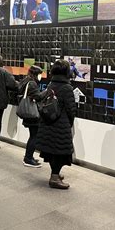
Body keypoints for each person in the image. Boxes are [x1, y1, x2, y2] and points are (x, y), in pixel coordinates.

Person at [35, 60, 76, 189]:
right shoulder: (67, 87)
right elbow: (71, 109)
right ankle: (54, 178)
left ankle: (55, 174)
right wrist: (69, 122)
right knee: (60, 152)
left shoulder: (51, 84)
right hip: (60, 126)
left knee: (53, 151)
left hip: (48, 123)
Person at [17, 65, 49, 167]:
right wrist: (47, 91)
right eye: (40, 74)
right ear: (36, 74)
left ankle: (29, 156)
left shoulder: (25, 81)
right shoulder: (32, 84)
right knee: (34, 136)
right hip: (32, 114)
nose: (41, 76)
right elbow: (38, 97)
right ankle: (28, 158)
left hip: (28, 113)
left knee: (32, 135)